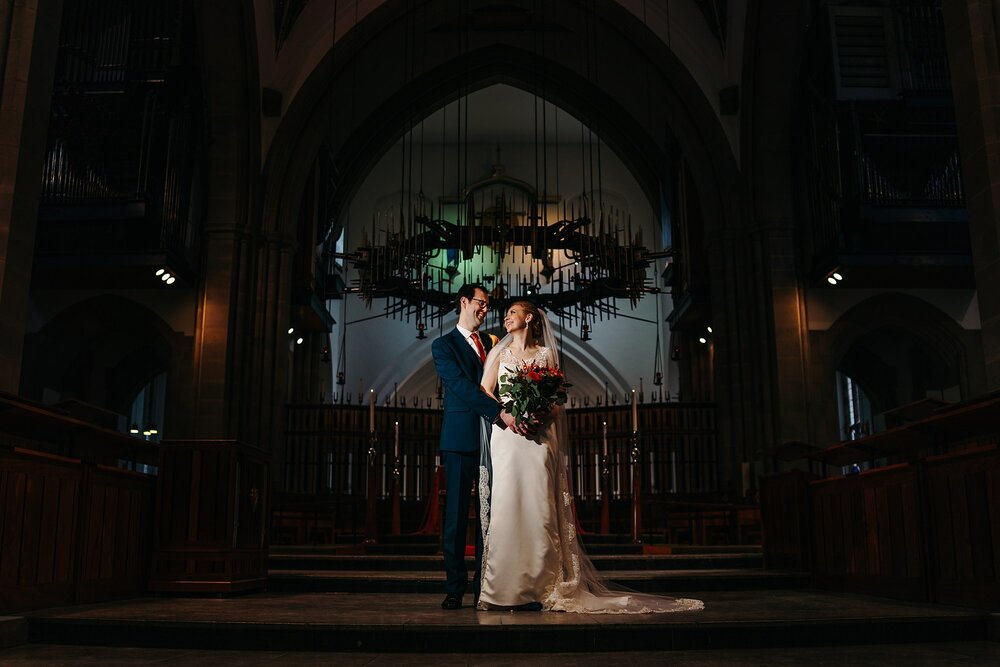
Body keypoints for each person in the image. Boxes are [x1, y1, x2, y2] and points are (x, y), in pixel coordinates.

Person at [476, 300, 704, 614]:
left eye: (513, 312)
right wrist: (508, 415)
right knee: (507, 505)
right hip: (508, 435)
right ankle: (503, 588)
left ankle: (540, 587)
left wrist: (540, 416)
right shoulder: (499, 354)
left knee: (539, 507)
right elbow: (485, 390)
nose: (507, 316)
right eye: (507, 313)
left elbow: (556, 398)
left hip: (538, 437)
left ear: (528, 318)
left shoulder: (545, 355)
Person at [431, 283, 525, 610]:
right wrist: (499, 412)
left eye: (488, 306)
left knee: (491, 518)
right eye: (480, 304)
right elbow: (460, 386)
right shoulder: (443, 346)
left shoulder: (493, 342)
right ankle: (455, 588)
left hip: (496, 441)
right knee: (456, 518)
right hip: (460, 439)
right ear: (464, 302)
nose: (485, 311)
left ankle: (484, 586)